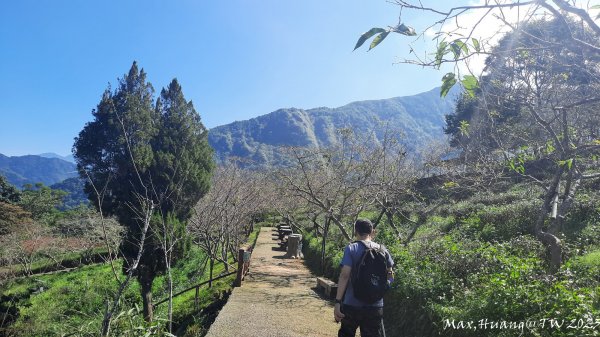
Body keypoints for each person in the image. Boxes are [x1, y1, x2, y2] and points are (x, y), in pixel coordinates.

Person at [334, 219, 394, 337]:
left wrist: (337, 302)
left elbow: (345, 275)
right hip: (375, 306)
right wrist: (386, 286)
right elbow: (391, 274)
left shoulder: (351, 248)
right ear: (372, 231)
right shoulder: (382, 250)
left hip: (352, 304)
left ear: (356, 231)